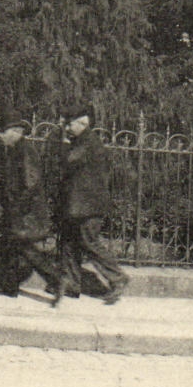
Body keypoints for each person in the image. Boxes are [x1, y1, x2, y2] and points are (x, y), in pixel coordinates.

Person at [55, 109, 129, 304]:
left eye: (70, 124)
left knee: (88, 242)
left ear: (82, 124)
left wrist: (63, 142)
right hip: (79, 205)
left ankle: (118, 278)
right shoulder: (83, 142)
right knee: (69, 243)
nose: (67, 128)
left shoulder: (88, 142)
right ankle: (71, 284)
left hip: (88, 206)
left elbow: (68, 161)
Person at [0, 121, 65, 304]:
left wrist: (17, 207)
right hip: (18, 209)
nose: (0, 136)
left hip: (24, 212)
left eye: (2, 131)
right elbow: (15, 180)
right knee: (11, 246)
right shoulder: (16, 150)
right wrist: (1, 191)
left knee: (22, 247)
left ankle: (56, 279)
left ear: (16, 132)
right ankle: (9, 287)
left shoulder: (25, 151)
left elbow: (31, 184)